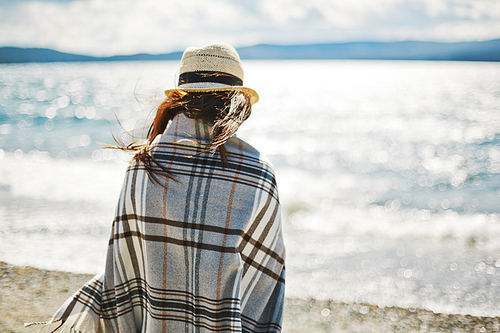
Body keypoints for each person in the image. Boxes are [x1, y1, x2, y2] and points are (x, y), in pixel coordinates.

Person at [32, 42, 285, 332]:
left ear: (183, 96)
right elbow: (266, 282)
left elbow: (122, 267)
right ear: (237, 101)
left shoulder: (142, 166)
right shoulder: (257, 173)